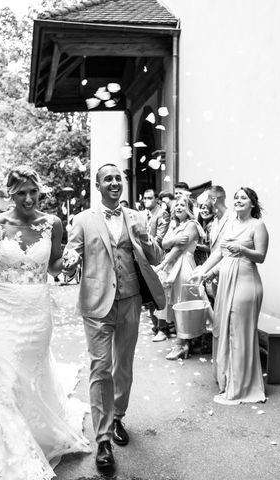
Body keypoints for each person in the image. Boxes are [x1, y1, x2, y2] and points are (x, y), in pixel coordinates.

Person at [0, 166, 91, 479]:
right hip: (5, 308)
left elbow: (55, 268)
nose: (29, 198)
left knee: (33, 375)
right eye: (21, 193)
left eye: (33, 191)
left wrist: (70, 262)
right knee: (6, 379)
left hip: (37, 309)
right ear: (10, 194)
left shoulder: (53, 224)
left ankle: (38, 432)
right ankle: (17, 453)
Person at [63, 163, 164, 472]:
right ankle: (103, 439)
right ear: (98, 185)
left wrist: (144, 238)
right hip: (96, 304)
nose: (115, 182)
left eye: (118, 177)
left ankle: (118, 416)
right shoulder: (83, 220)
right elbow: (70, 257)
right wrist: (69, 261)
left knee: (124, 366)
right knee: (100, 368)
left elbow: (156, 257)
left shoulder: (137, 216)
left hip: (131, 299)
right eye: (108, 178)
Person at [192, 187, 269, 405]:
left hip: (246, 284)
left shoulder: (258, 225)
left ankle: (241, 387)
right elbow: (220, 254)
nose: (238, 201)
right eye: (236, 198)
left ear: (252, 203)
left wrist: (241, 249)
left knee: (238, 331)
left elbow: (261, 256)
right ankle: (227, 379)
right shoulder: (232, 224)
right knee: (224, 328)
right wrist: (205, 272)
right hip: (226, 281)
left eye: (243, 198)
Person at [157, 195, 203, 356]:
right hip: (173, 266)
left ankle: (181, 344)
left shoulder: (191, 225)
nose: (178, 207)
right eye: (176, 205)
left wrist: (162, 264)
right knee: (174, 304)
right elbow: (163, 243)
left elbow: (179, 249)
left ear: (189, 208)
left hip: (184, 266)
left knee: (182, 304)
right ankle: (182, 343)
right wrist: (174, 239)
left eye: (183, 205)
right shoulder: (174, 225)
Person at [142, 188, 170, 339]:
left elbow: (160, 238)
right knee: (150, 294)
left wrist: (143, 239)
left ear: (157, 200)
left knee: (158, 293)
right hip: (147, 257)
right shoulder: (145, 215)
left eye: (150, 198)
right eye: (145, 198)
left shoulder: (162, 214)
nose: (146, 200)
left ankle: (163, 328)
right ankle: (155, 325)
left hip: (158, 257)